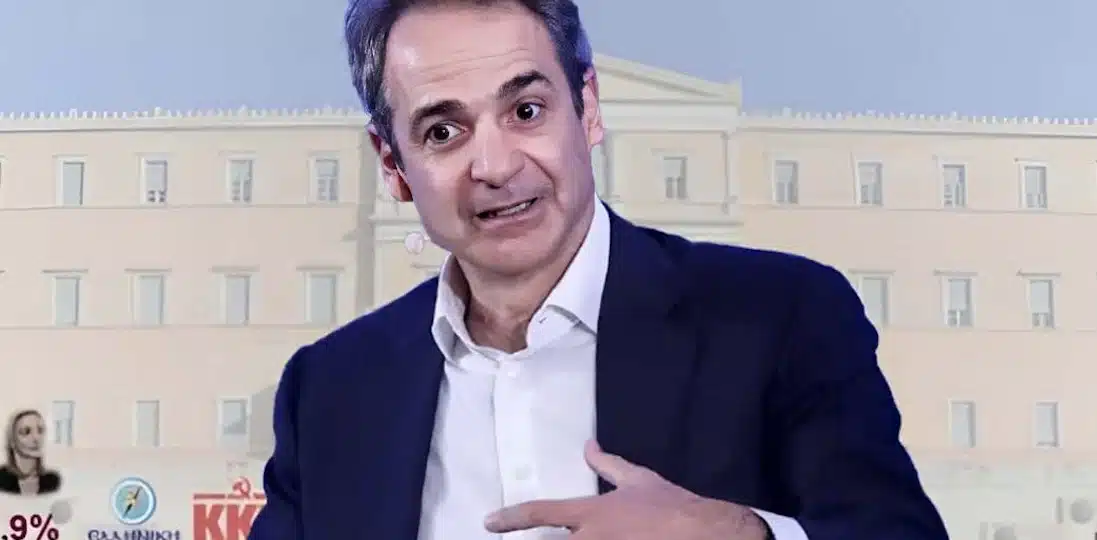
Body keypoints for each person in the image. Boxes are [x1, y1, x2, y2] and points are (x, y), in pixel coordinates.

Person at [248, 0, 949, 538]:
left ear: (587, 110)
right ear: (394, 166)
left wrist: (740, 534)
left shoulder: (782, 316)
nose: (494, 166)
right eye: (443, 131)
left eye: (526, 110)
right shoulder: (328, 390)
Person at [0, 409, 62, 496]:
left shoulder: (52, 480)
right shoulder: (2, 478)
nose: (36, 438)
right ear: (12, 441)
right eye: (26, 432)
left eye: (40, 430)